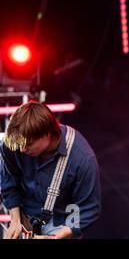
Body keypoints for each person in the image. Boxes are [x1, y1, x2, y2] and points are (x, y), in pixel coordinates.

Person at [0, 101, 101, 239]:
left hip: (62, 223)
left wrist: (60, 235)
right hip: (24, 220)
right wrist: (15, 220)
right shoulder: (14, 145)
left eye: (29, 144)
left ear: (47, 134)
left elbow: (88, 208)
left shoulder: (82, 158)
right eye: (20, 145)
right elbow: (8, 180)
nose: (22, 150)